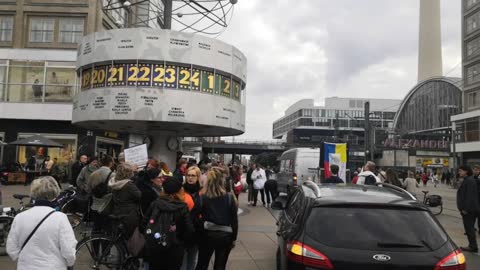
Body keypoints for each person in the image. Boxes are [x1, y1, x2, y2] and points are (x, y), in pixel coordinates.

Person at [7, 176, 77, 269]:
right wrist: (69, 263)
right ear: (55, 194)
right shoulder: (60, 218)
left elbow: (11, 249)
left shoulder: (20, 217)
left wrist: (25, 258)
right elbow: (68, 251)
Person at [143, 177, 194, 270]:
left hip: (155, 247)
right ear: (179, 191)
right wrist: (181, 241)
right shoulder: (182, 207)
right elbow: (189, 229)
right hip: (175, 248)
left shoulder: (155, 204)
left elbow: (143, 224)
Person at [196, 167, 238, 270]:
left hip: (207, 235)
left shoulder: (203, 197)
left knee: (202, 264)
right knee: (220, 266)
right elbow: (234, 220)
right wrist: (233, 238)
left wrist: (201, 228)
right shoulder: (229, 197)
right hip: (225, 236)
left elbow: (195, 216)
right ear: (222, 181)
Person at [109, 163, 141, 238]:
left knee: (120, 237)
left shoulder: (114, 182)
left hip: (117, 211)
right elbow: (139, 195)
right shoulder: (129, 185)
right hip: (129, 214)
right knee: (129, 238)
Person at [88, 155, 115, 234]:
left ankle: (94, 245)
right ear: (110, 163)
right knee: (106, 229)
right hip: (107, 206)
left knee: (96, 228)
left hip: (95, 205)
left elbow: (89, 188)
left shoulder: (93, 174)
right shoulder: (113, 175)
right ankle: (104, 246)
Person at [457, 165, 480, 253]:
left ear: (466, 171)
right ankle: (472, 245)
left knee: (469, 228)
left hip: (469, 210)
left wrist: (465, 209)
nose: (459, 172)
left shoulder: (469, 181)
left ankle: (473, 246)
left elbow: (470, 196)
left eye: (460, 171)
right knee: (469, 228)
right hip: (470, 209)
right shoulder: (468, 180)